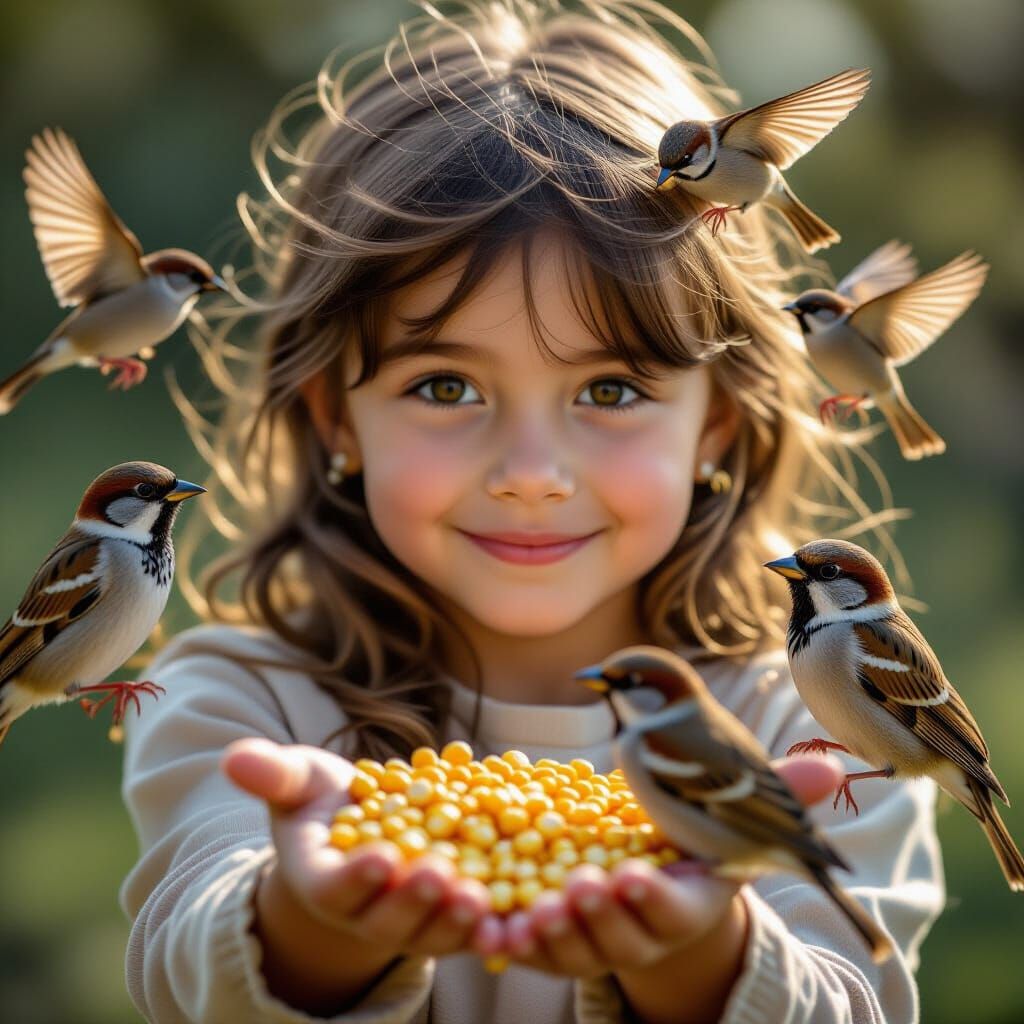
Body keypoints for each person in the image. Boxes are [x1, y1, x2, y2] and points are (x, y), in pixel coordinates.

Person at [120, 2, 943, 1021]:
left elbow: (855, 997)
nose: (529, 472)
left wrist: (705, 956)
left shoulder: (819, 716)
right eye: (446, 388)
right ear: (336, 417)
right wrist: (308, 927)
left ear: (718, 427)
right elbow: (181, 949)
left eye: (607, 391)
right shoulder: (239, 698)